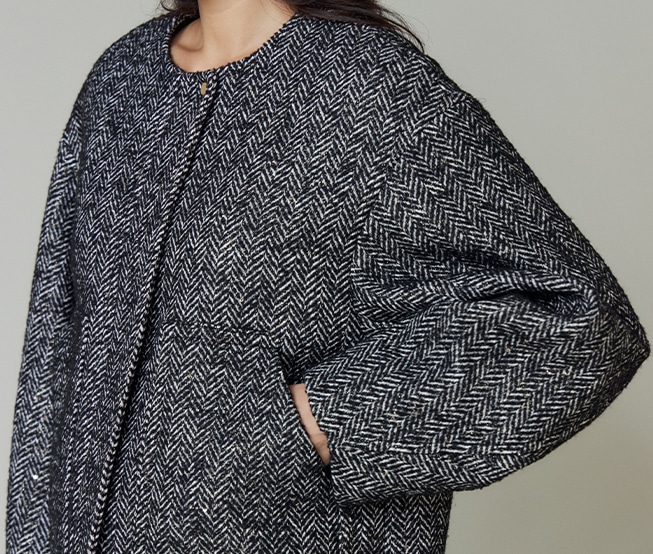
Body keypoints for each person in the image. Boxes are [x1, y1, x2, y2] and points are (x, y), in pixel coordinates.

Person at [6, 0, 650, 552]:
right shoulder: (124, 76)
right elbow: (56, 337)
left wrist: (323, 422)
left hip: (287, 530)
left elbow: (586, 318)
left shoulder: (375, 89)